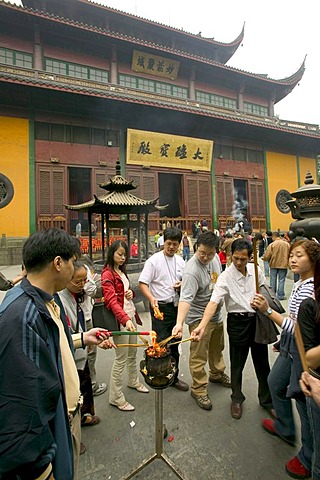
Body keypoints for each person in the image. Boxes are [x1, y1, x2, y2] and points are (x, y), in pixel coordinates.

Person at [0, 229, 111, 479]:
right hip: (50, 432)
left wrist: (83, 338)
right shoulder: (22, 315)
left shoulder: (47, 300)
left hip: (65, 416)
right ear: (58, 263)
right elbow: (21, 407)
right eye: (72, 262)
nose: (75, 269)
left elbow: (51, 343)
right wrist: (40, 471)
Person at [252, 240, 320, 479]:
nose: (292, 259)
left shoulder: (311, 288)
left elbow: (300, 329)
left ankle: (308, 456)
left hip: (304, 351)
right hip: (290, 345)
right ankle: (285, 427)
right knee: (275, 382)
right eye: (292, 255)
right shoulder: (301, 282)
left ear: (312, 260)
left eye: (299, 255)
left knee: (305, 404)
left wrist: (268, 312)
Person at [192, 238, 274, 420]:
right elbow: (213, 303)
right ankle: (237, 398)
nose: (238, 263)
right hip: (237, 323)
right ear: (230, 256)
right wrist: (202, 326)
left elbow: (265, 291)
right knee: (237, 363)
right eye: (235, 258)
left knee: (262, 362)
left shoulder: (257, 271)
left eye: (243, 259)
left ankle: (267, 400)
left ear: (250, 258)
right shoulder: (225, 277)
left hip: (257, 321)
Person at [173, 231, 230, 410]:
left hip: (216, 313)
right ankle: (198, 389)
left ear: (216, 251)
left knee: (216, 347)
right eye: (202, 253)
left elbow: (218, 282)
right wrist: (179, 323)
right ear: (197, 247)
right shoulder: (191, 270)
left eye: (210, 253)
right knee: (199, 355)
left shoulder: (215, 260)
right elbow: (185, 299)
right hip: (198, 317)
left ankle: (217, 373)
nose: (205, 257)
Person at [139, 227, 189, 391]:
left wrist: (181, 285)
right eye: (168, 244)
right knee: (160, 344)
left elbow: (186, 282)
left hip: (176, 307)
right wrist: (152, 298)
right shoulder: (154, 261)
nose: (171, 247)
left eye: (175, 244)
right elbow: (143, 283)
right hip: (159, 307)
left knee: (175, 342)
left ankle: (173, 377)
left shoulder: (181, 261)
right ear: (163, 242)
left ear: (179, 245)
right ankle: (158, 375)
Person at [102, 240, 149, 412]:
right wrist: (125, 320)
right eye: (119, 254)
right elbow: (112, 302)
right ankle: (116, 397)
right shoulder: (107, 275)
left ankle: (133, 381)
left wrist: (131, 293)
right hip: (120, 321)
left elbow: (125, 295)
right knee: (120, 358)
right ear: (112, 253)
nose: (123, 258)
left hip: (130, 316)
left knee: (132, 353)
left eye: (124, 255)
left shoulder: (121, 271)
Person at [59, 261, 101, 429]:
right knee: (72, 394)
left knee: (84, 385)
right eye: (78, 281)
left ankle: (84, 416)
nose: (82, 284)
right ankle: (73, 431)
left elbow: (81, 320)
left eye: (85, 280)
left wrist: (86, 339)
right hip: (71, 355)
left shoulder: (79, 294)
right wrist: (83, 339)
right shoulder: (61, 298)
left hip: (80, 348)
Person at [82, 256, 108, 396]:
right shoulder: (81, 269)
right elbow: (92, 290)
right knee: (89, 353)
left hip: (82, 314)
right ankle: (91, 385)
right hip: (84, 317)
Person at [263, 231, 290, 300]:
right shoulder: (286, 244)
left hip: (273, 264)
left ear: (274, 237)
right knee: (282, 279)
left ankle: (273, 295)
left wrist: (264, 258)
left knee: (273, 279)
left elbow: (267, 255)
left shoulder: (272, 245)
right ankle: (280, 295)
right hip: (283, 264)